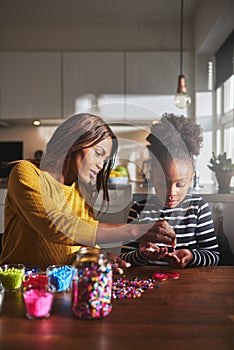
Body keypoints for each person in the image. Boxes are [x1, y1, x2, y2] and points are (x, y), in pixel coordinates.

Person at [0, 113, 176, 270]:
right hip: (20, 284)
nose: (101, 165)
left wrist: (99, 257)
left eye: (105, 159)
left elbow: (82, 236)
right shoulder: (26, 173)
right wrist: (134, 230)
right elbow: (57, 226)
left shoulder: (81, 190)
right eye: (98, 153)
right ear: (74, 143)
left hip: (65, 285)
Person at [120, 113, 220, 268]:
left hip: (189, 288)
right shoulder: (139, 210)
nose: (171, 192)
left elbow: (213, 256)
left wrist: (191, 256)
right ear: (153, 177)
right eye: (163, 183)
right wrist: (142, 254)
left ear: (191, 178)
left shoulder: (198, 209)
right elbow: (125, 258)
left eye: (179, 184)